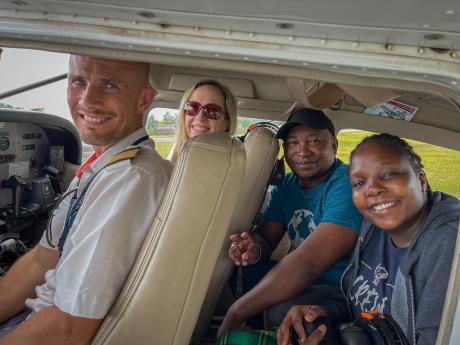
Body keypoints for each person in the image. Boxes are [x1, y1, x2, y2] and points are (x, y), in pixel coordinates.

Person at [0, 55, 172, 344]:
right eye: (78, 82)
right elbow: (41, 260)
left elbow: (69, 327)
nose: (87, 100)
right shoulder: (104, 166)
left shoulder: (130, 178)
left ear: (144, 99)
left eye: (110, 85)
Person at [277, 133, 460, 345]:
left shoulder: (449, 242)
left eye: (389, 174)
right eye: (359, 183)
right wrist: (323, 312)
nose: (372, 189)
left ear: (420, 180)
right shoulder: (374, 227)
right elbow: (359, 303)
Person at [218, 108, 363, 336]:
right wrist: (253, 249)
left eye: (313, 141)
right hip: (307, 281)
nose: (302, 151)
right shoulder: (287, 185)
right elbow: (267, 238)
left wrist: (237, 311)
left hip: (342, 290)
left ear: (333, 146)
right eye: (292, 143)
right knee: (231, 275)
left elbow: (309, 264)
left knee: (282, 312)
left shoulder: (346, 185)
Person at [168, 79, 237, 165]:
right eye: (192, 107)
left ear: (226, 123)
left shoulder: (228, 167)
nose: (200, 117)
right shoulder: (175, 152)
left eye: (212, 111)